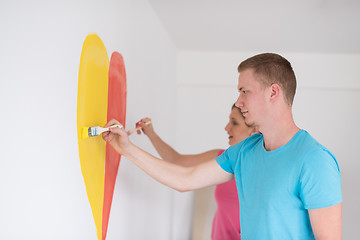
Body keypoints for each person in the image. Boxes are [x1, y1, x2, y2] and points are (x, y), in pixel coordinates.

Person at [103, 53, 342, 239]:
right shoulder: (244, 151)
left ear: (273, 92)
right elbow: (185, 178)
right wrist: (127, 149)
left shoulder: (315, 160)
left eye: (244, 91)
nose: (239, 101)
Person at [134, 104, 257, 240]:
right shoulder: (224, 159)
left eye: (234, 123)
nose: (227, 128)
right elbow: (177, 161)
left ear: (254, 130)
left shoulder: (264, 170)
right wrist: (151, 134)